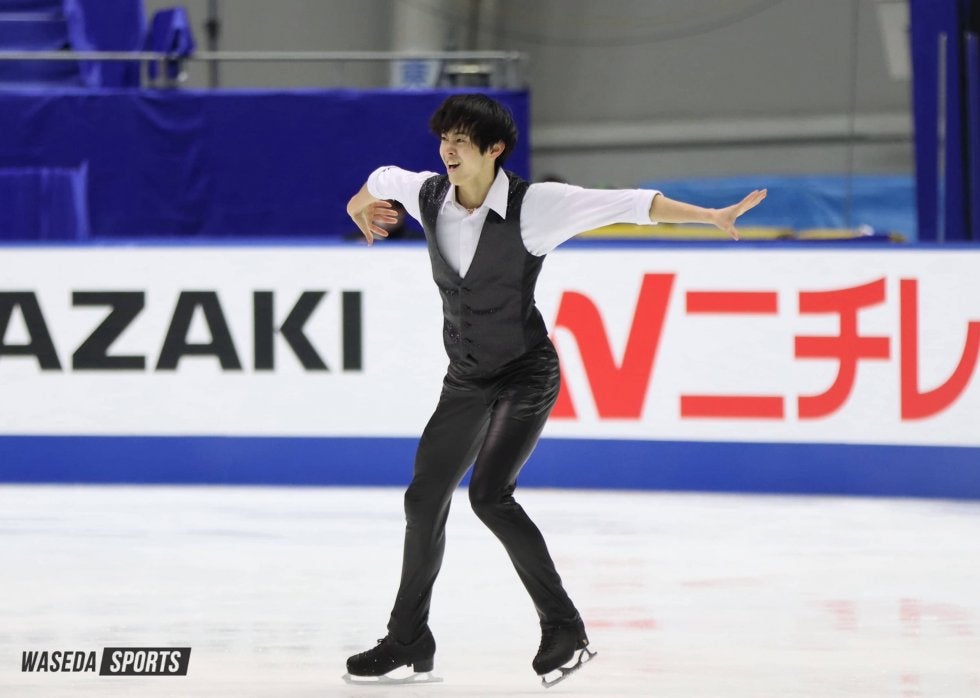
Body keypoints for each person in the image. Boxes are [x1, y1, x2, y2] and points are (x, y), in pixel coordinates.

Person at [343, 94, 766, 686]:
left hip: (525, 372)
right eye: (444, 139)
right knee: (424, 498)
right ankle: (409, 637)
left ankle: (564, 627)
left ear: (495, 149)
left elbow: (632, 204)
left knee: (489, 496)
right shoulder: (429, 194)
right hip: (466, 375)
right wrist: (357, 205)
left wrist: (710, 216)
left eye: (462, 141)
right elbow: (382, 177)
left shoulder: (536, 207)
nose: (448, 151)